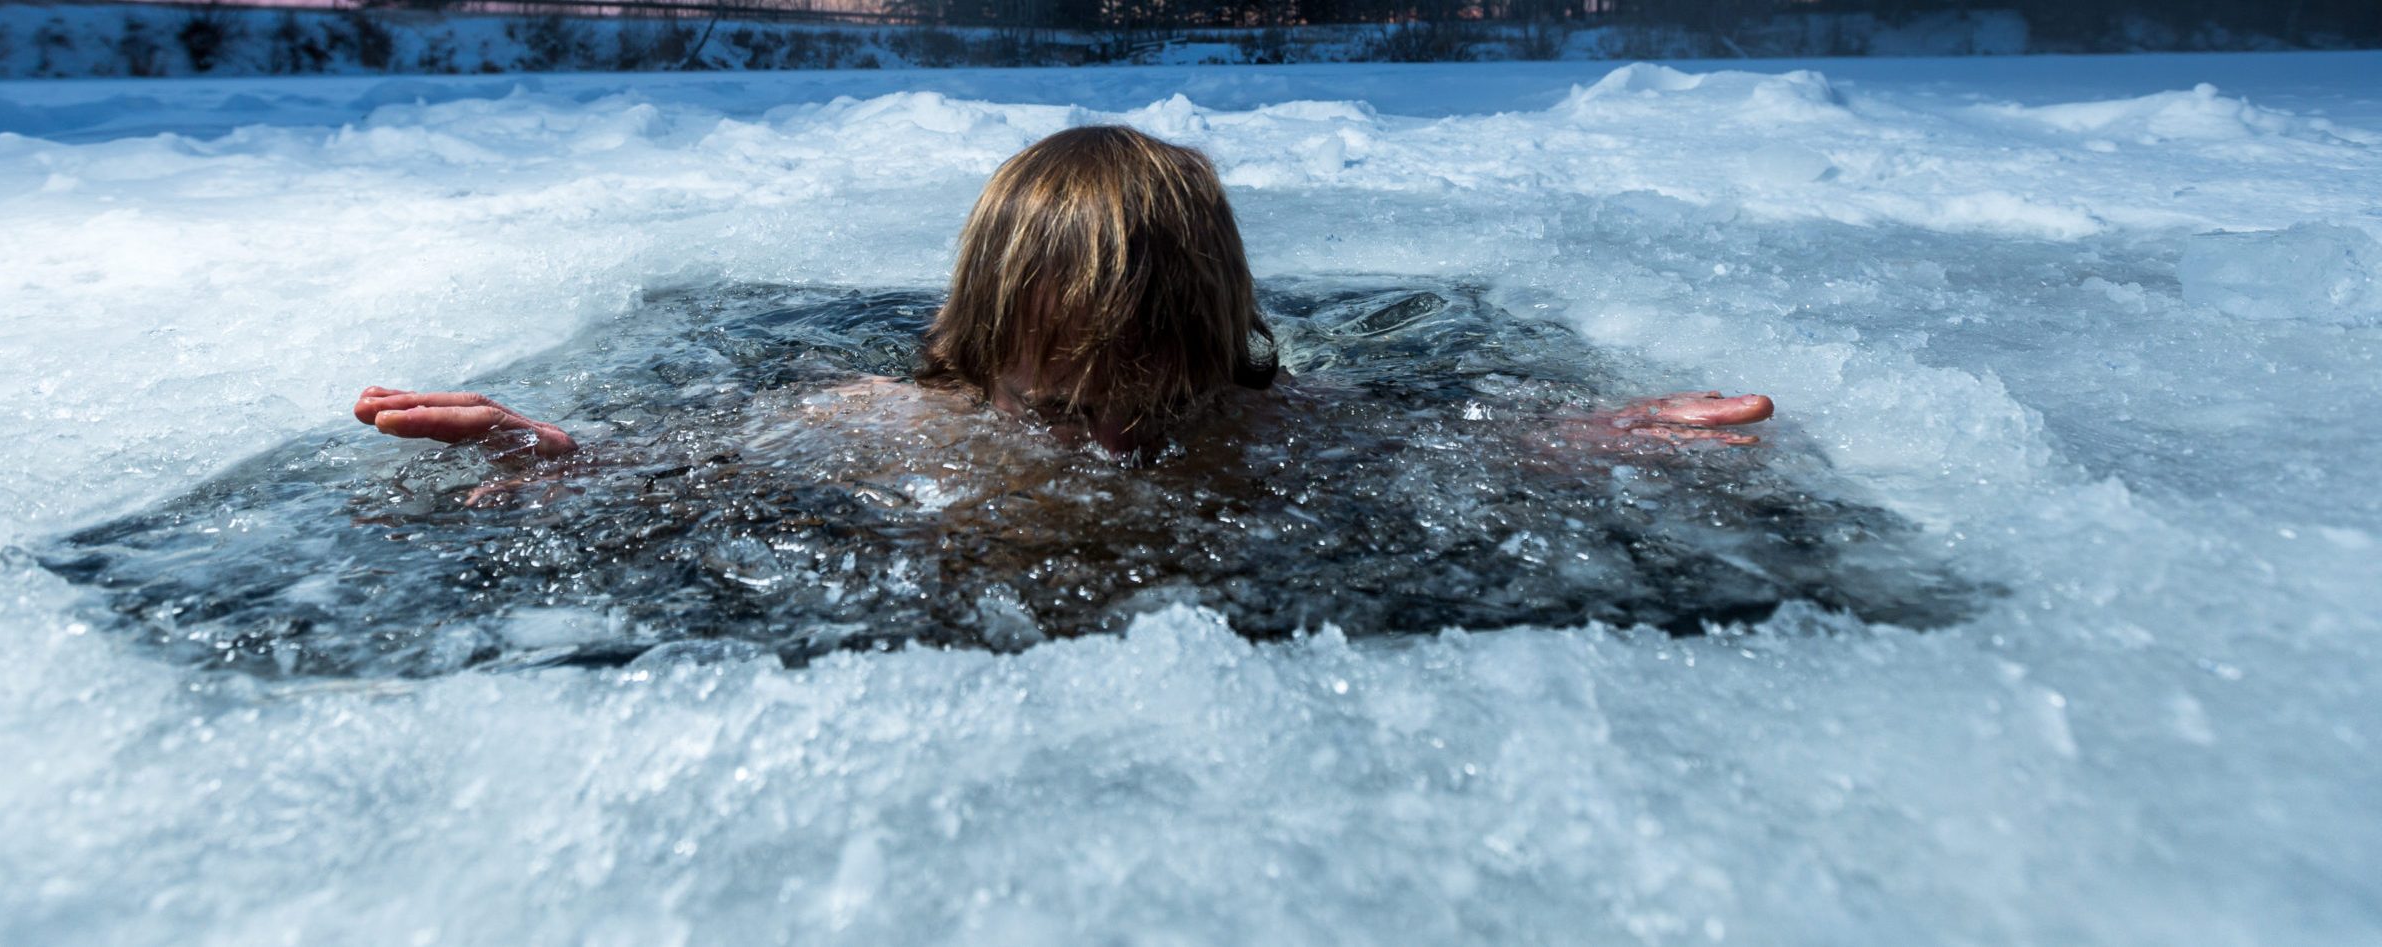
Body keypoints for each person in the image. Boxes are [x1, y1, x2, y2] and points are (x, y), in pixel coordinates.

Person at [353, 125, 1771, 463]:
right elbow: (713, 458)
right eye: (1058, 387)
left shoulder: (1277, 414)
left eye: (1142, 382)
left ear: (1212, 341)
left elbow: (1430, 441)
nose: (1106, 426)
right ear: (977, 345)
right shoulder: (910, 418)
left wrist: (1600, 439)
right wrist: (563, 455)